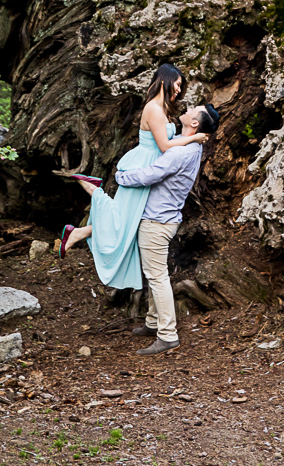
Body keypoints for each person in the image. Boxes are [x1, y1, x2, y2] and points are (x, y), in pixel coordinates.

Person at [55, 63, 206, 292]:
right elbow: (165, 146)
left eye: (180, 87)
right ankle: (94, 190)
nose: (178, 90)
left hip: (153, 166)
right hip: (143, 166)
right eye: (176, 85)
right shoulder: (153, 109)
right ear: (164, 80)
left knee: (128, 221)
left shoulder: (164, 108)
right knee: (121, 219)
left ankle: (78, 231)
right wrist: (192, 139)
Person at [118, 101, 219, 355]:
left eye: (192, 110)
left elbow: (149, 175)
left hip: (156, 221)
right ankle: (153, 322)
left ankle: (168, 334)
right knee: (155, 272)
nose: (187, 108)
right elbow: (169, 136)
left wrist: (121, 177)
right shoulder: (192, 145)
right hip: (165, 219)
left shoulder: (180, 152)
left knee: (157, 276)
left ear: (195, 123)